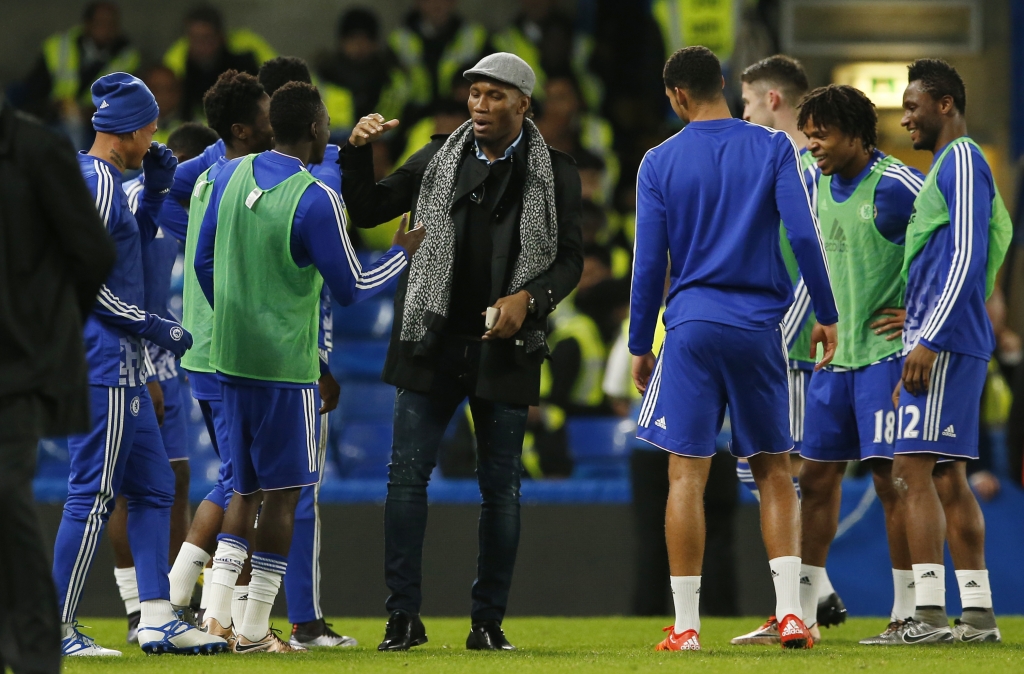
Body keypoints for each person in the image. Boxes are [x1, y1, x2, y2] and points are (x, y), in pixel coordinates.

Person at [340, 52, 583, 651]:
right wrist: (357, 151)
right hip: (432, 339)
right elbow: (369, 209)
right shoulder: (434, 157)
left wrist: (531, 296)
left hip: (507, 345)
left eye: (495, 95)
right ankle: (402, 618)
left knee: (501, 487)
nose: (479, 104)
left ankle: (487, 622)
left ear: (524, 105)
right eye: (474, 93)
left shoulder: (556, 170)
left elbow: (571, 258)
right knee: (405, 481)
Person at [194, 81, 421, 654]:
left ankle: (214, 616)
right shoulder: (315, 197)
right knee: (288, 493)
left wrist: (234, 317)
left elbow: (201, 261)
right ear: (317, 130)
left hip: (230, 359)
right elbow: (351, 287)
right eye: (326, 125)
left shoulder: (227, 175)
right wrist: (401, 253)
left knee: (241, 489)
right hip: (286, 368)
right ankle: (251, 631)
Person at [630, 47, 837, 652]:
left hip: (692, 329)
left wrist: (642, 343)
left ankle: (688, 627)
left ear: (675, 96)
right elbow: (803, 233)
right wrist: (825, 314)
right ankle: (792, 614)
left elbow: (649, 265)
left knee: (686, 475)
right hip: (758, 327)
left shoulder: (657, 161)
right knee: (775, 469)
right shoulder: (773, 147)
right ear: (720, 84)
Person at [54, 72, 225, 657]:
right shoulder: (96, 183)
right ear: (124, 131)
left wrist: (153, 195)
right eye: (150, 127)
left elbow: (127, 251)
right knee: (92, 495)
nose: (155, 137)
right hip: (102, 361)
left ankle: (157, 618)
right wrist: (158, 327)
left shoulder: (104, 179)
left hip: (121, 364)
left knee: (154, 489)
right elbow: (88, 281)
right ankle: (53, 628)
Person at [788, 85, 924, 643]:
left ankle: (907, 613)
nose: (813, 142)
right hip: (835, 359)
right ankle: (799, 611)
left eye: (822, 132)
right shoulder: (812, 179)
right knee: (816, 480)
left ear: (856, 134)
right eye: (809, 132)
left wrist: (920, 314)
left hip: (887, 360)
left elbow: (964, 241)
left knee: (893, 483)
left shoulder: (896, 186)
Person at [890, 59, 1011, 644]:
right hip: (948, 336)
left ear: (945, 105)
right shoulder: (949, 167)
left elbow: (965, 251)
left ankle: (930, 614)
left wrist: (929, 338)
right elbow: (943, 259)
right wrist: (914, 323)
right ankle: (980, 616)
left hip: (948, 340)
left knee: (910, 472)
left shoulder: (962, 159)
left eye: (913, 106)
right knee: (944, 476)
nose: (905, 117)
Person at [0, 97, 116, 674]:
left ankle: (40, 649)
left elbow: (91, 253)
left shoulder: (40, 152)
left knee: (6, 496)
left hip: (15, 368)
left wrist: (43, 325)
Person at [731, 54, 843, 646]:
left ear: (773, 101)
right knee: (777, 469)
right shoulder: (796, 165)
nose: (743, 115)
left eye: (747, 104)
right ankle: (805, 593)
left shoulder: (801, 166)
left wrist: (780, 337)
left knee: (776, 468)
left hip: (793, 344)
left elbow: (811, 260)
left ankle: (799, 602)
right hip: (798, 341)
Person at [106, 121, 219, 645]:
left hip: (158, 355)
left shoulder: (171, 206)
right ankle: (139, 608)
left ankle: (168, 603)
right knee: (131, 487)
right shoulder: (148, 209)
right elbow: (136, 297)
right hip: (138, 357)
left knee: (171, 482)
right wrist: (148, 372)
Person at [21, 1, 140, 147]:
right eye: (100, 22)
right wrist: (54, 106)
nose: (106, 28)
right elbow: (32, 92)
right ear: (87, 24)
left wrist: (92, 113)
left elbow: (127, 106)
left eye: (111, 24)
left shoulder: (127, 58)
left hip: (97, 129)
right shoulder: (59, 46)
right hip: (52, 118)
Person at [163, 4, 275, 121]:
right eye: (194, 38)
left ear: (220, 36)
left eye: (206, 38)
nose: (200, 46)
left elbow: (275, 82)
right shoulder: (176, 64)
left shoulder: (246, 51)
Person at [315, 8, 411, 134]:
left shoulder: (393, 80)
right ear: (342, 41)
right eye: (353, 38)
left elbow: (406, 123)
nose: (359, 45)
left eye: (366, 38)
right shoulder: (323, 78)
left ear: (375, 43)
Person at [388, 0, 488, 112]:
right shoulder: (399, 39)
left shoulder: (474, 35)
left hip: (463, 112)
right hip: (413, 115)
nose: (437, 4)